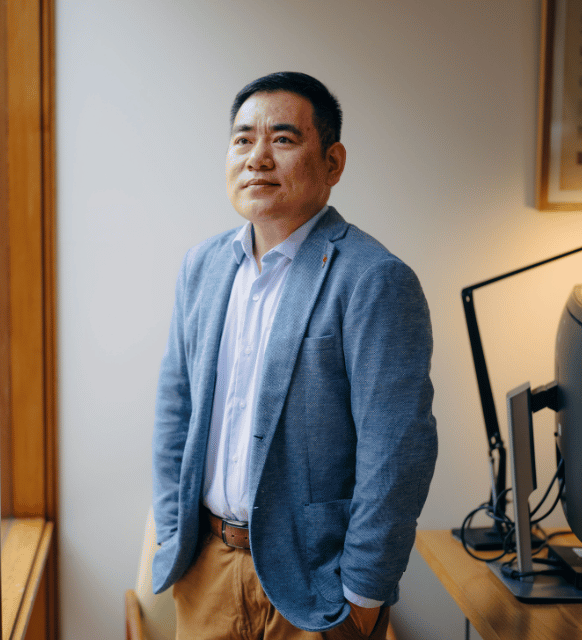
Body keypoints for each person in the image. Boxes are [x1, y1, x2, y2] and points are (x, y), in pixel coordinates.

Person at [151, 71, 437, 639]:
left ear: (332, 163)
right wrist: (169, 532)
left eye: (282, 139)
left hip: (316, 590)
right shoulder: (202, 267)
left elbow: (397, 452)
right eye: (242, 140)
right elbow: (174, 412)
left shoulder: (374, 279)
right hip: (206, 568)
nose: (257, 158)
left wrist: (361, 595)